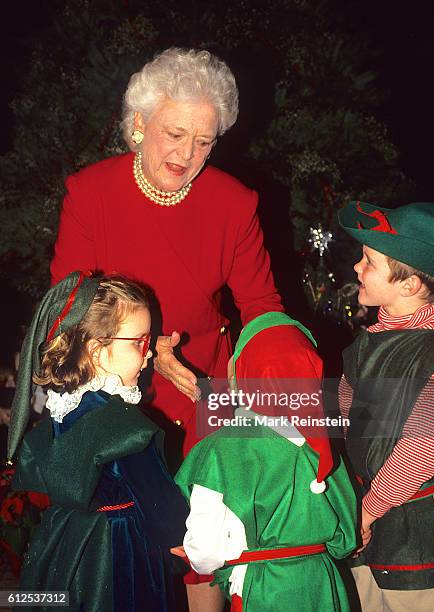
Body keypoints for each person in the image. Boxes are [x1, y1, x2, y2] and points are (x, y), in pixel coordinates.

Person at [50, 47, 283, 461]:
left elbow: (263, 308)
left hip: (204, 391)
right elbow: (69, 309)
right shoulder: (90, 195)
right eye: (174, 134)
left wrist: (258, 377)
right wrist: (149, 351)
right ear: (140, 123)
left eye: (203, 142)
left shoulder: (234, 203)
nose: (186, 155)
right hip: (110, 394)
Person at [9, 271, 189, 611]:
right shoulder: (123, 426)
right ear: (96, 350)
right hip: (120, 550)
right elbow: (160, 502)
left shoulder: (65, 407)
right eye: (139, 342)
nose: (148, 354)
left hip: (69, 541)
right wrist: (183, 541)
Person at [175, 311, 358, 611]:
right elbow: (345, 538)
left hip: (263, 589)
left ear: (240, 377)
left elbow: (205, 552)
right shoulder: (322, 445)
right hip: (321, 586)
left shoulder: (220, 450)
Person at [338, 201, 434, 610]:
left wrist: (364, 513)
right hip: (368, 524)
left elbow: (418, 452)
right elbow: (352, 429)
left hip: (415, 536)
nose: (356, 269)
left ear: (409, 285)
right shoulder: (363, 347)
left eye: (369, 261)